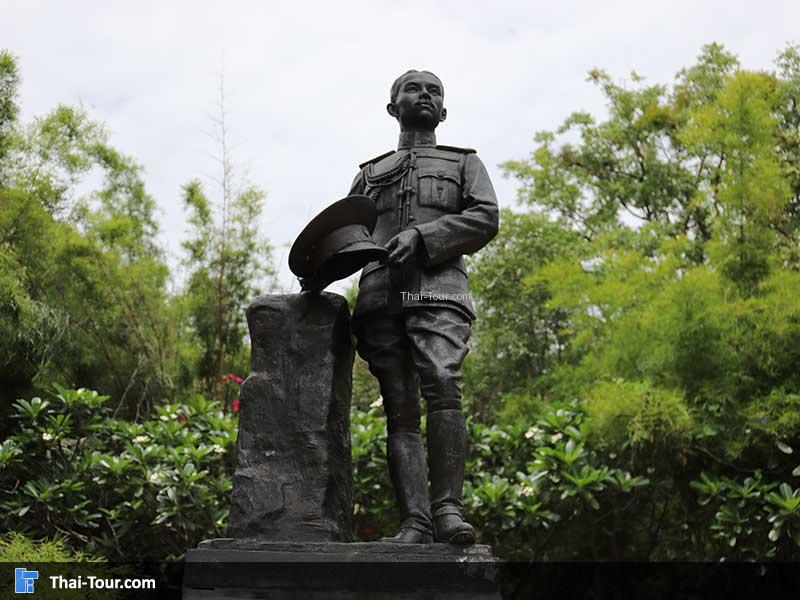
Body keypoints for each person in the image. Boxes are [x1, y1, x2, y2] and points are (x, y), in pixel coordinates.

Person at [349, 70, 499, 544]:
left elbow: (485, 216)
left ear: (445, 111)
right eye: (413, 88)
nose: (425, 95)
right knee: (399, 407)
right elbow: (346, 233)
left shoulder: (463, 164)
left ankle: (448, 511)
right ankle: (414, 521)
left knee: (443, 384)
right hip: (380, 297)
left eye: (434, 90)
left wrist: (423, 236)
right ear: (393, 107)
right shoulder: (368, 174)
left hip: (439, 290)